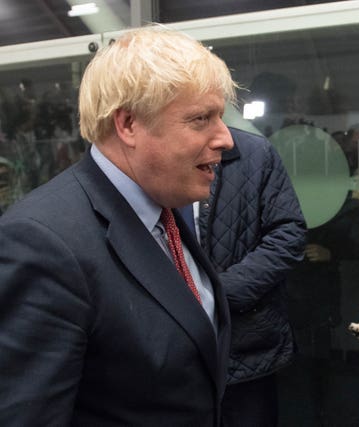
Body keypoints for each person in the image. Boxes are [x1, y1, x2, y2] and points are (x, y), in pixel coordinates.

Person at [0, 27, 235, 426]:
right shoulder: (42, 243)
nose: (226, 138)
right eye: (201, 119)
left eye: (220, 117)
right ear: (128, 124)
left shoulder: (163, 205)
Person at [181, 127, 306, 427]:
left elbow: (288, 234)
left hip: (247, 345)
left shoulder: (254, 152)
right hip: (173, 351)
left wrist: (221, 294)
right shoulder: (153, 154)